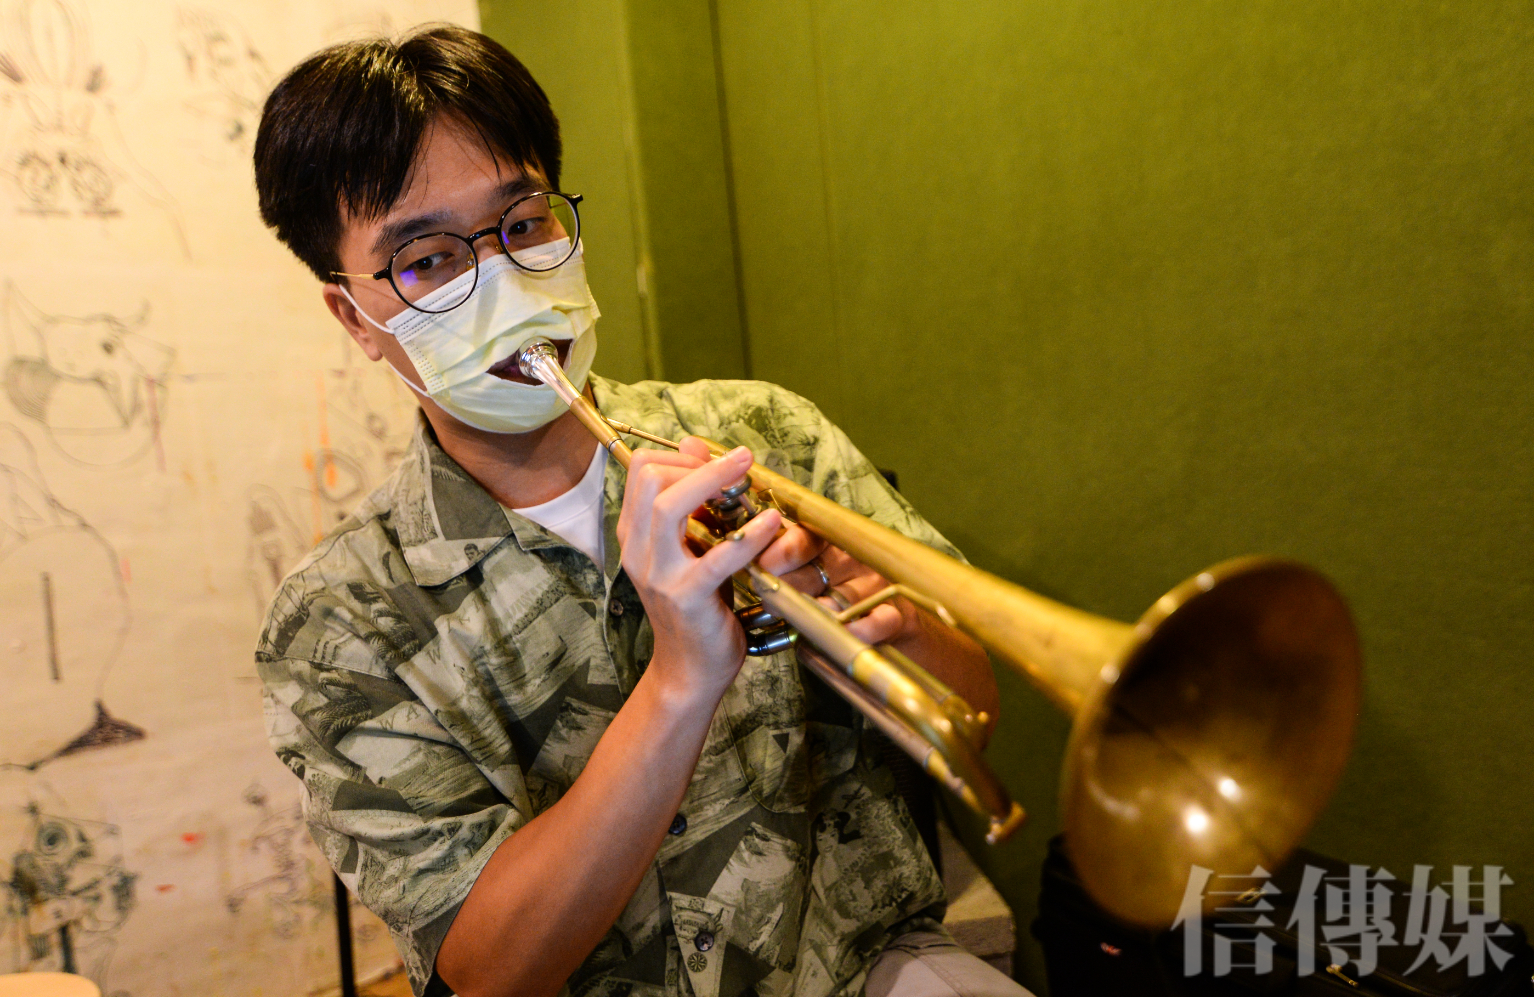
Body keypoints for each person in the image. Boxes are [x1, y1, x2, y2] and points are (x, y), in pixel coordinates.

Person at [252, 23, 1030, 997]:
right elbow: (491, 972)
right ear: (354, 317)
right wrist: (679, 679)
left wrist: (865, 600)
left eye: (523, 224)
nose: (502, 278)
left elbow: (974, 709)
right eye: (428, 260)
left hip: (862, 965)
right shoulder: (337, 619)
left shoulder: (763, 430)